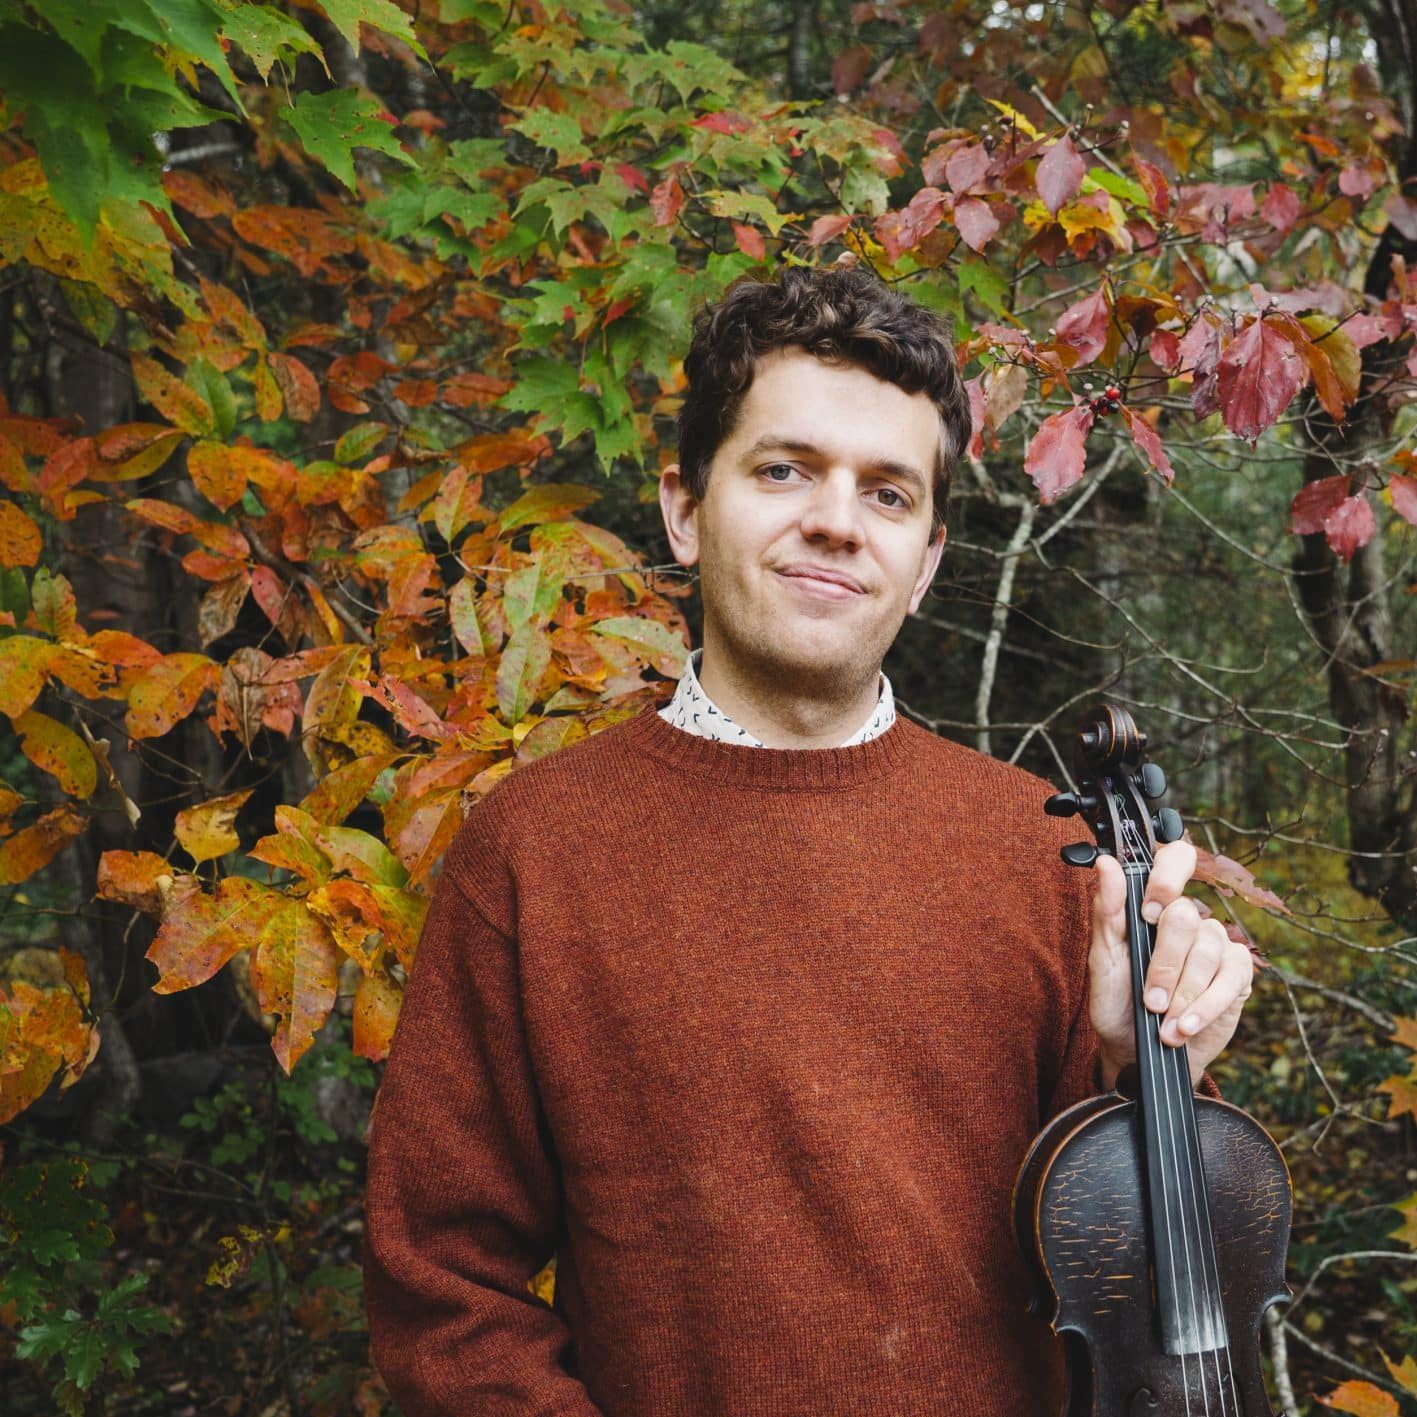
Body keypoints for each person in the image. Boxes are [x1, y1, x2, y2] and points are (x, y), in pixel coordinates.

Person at [362, 264, 1255, 1416]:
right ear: (686, 510)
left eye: (888, 494)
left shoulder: (1044, 852)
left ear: (927, 562)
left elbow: (1147, 1298)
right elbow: (444, 1291)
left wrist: (1149, 1063)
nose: (835, 519)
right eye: (784, 470)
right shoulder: (535, 849)